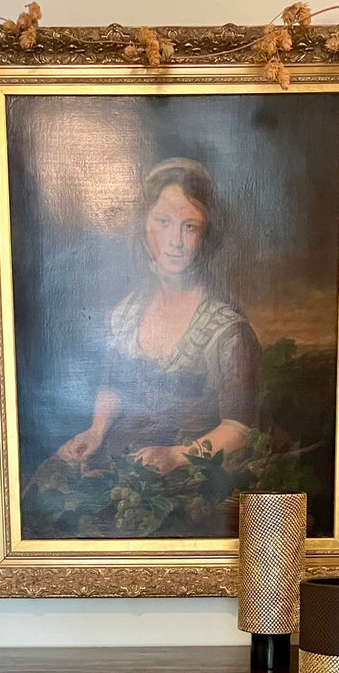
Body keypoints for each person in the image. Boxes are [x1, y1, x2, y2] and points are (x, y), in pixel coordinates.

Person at [57, 158, 261, 476]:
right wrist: (96, 431)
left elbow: (239, 427)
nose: (175, 241)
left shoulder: (228, 331)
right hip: (128, 451)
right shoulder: (128, 312)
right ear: (145, 226)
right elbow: (113, 384)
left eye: (189, 226)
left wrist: (179, 455)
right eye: (163, 222)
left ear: (206, 234)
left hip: (194, 466)